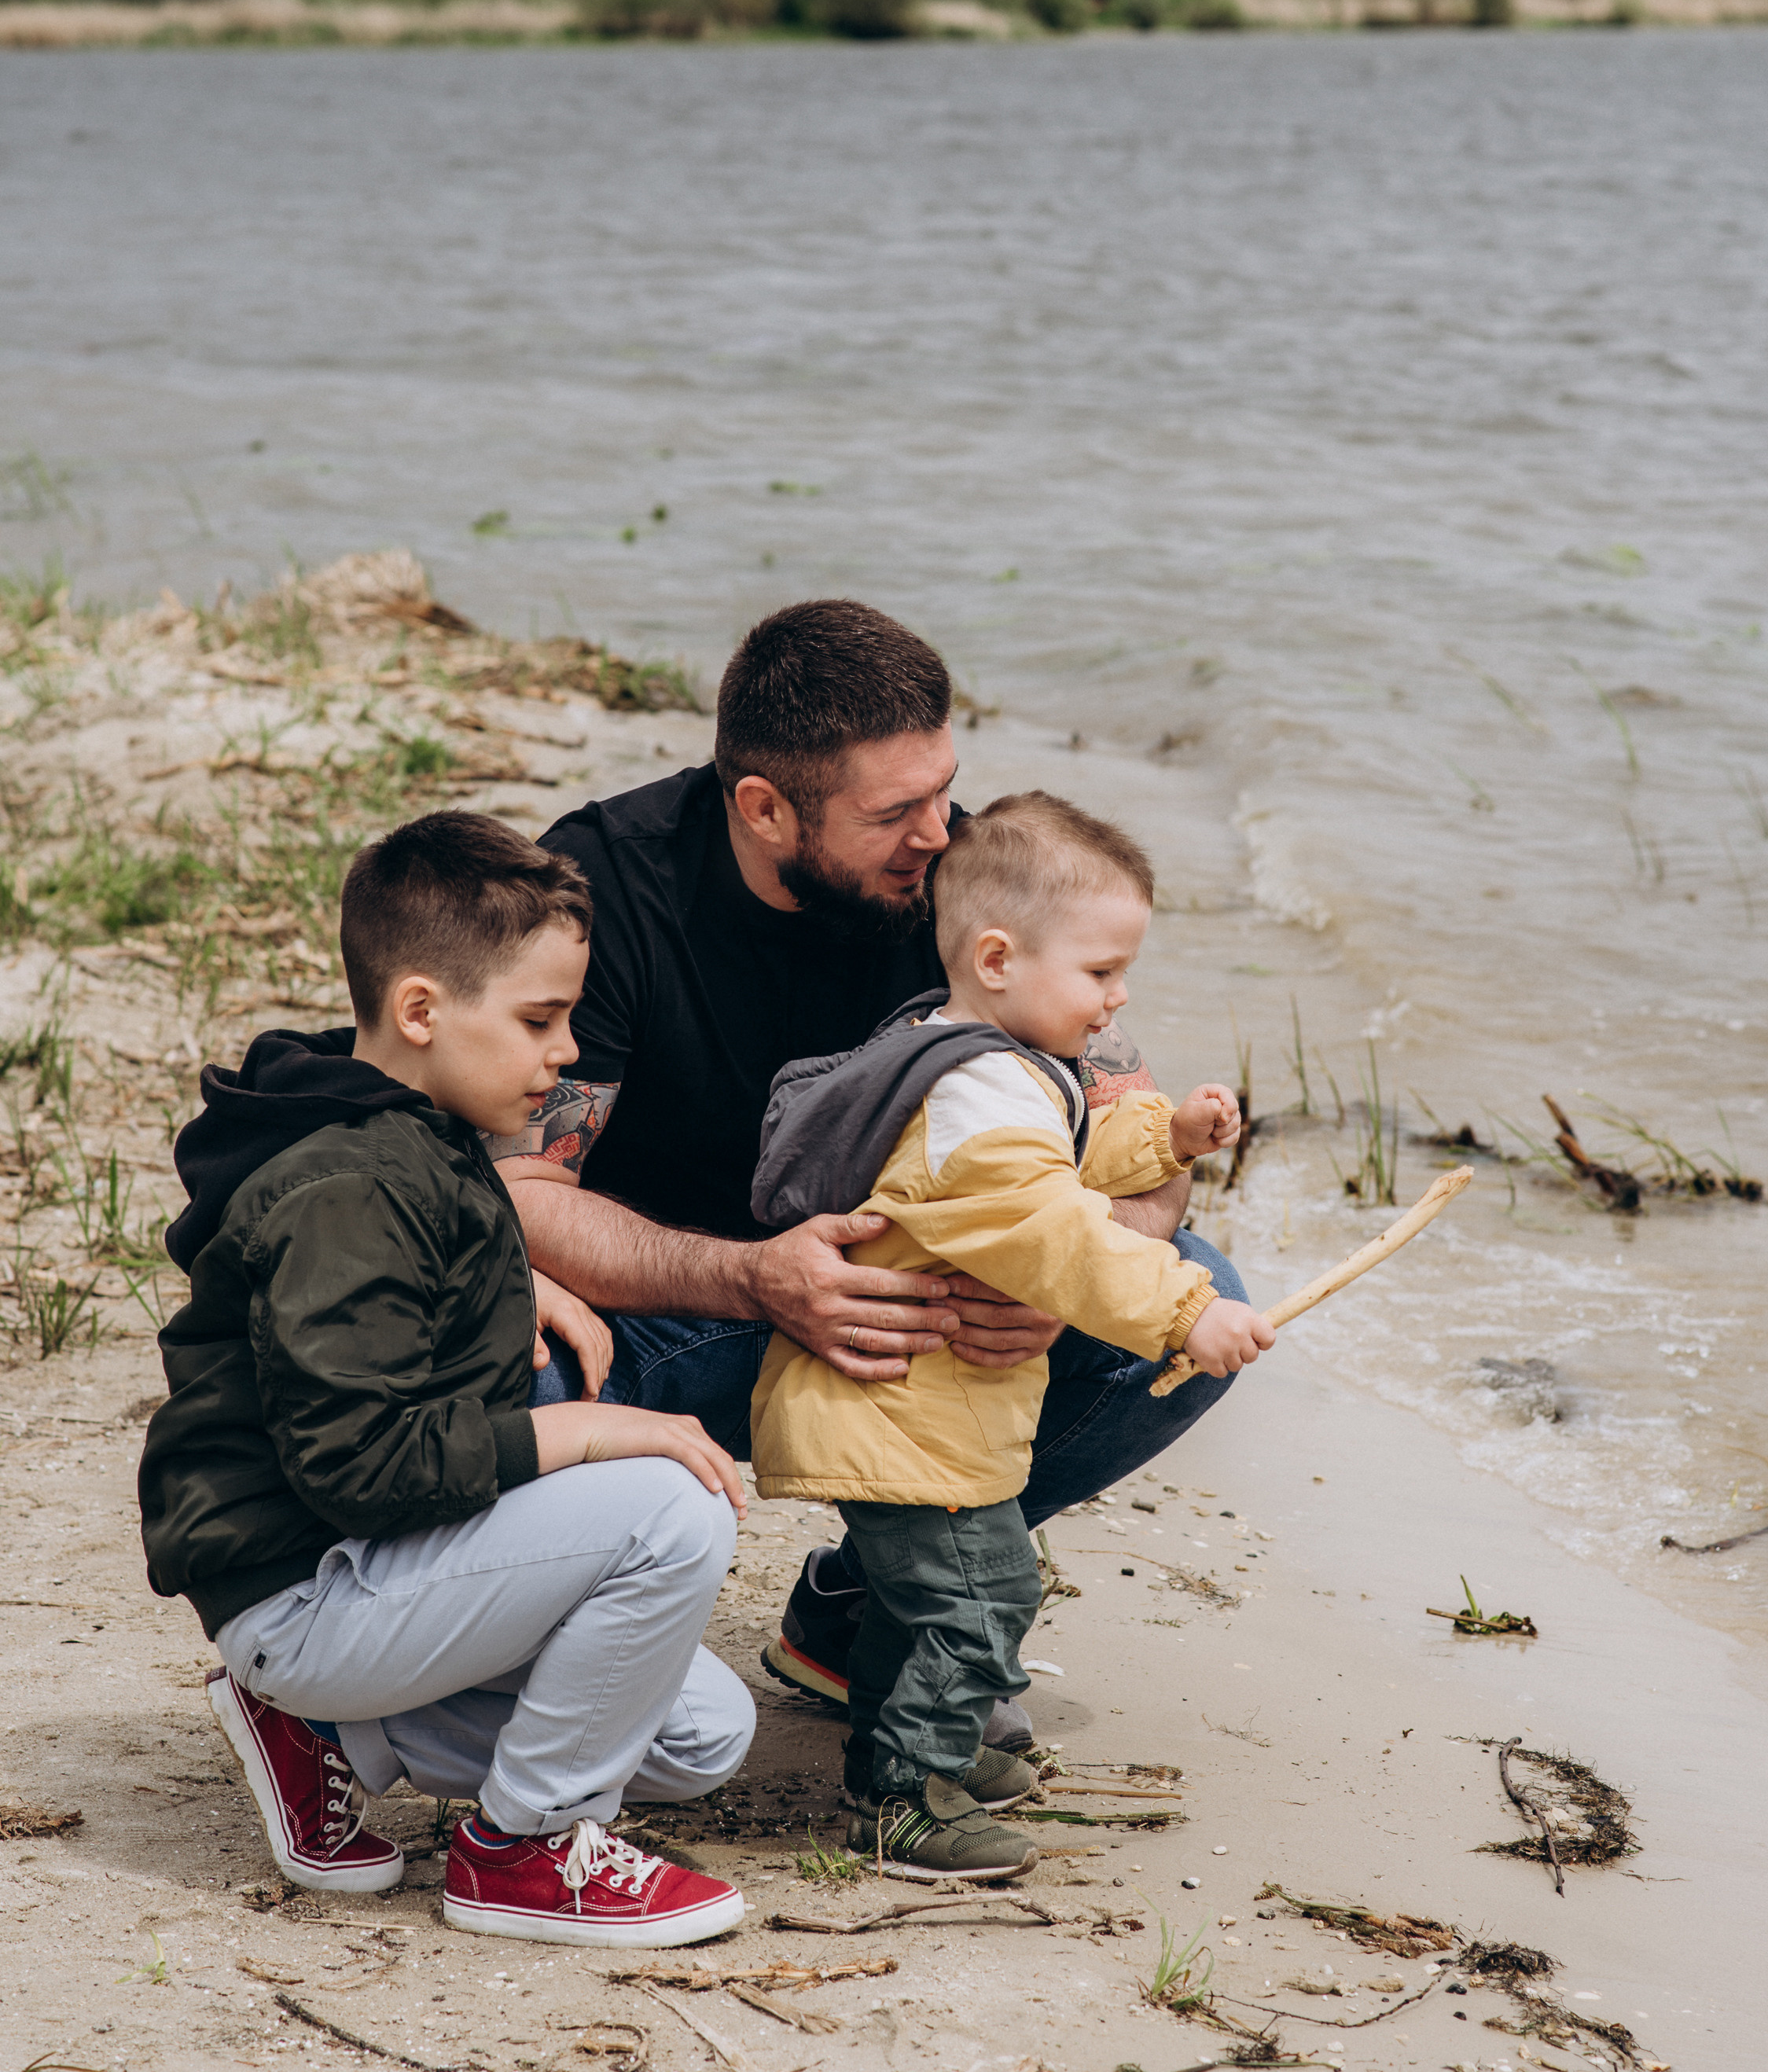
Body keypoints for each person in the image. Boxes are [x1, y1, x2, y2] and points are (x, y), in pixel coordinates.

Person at [503, 598, 1259, 1743]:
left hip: (925, 1316)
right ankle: (502, 1651)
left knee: (1198, 1309)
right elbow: (520, 1193)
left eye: (944, 789)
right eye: (893, 811)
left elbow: (1140, 1154)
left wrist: (1060, 1284)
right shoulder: (604, 890)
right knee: (504, 1384)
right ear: (762, 807)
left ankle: (872, 1608)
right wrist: (756, 1278)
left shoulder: (964, 894)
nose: (938, 832)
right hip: (677, 1306)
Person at [137, 812, 755, 1947]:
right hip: (304, 1581)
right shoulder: (345, 1187)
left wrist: (507, 1289)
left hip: (367, 1563)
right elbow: (364, 1463)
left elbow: (410, 1282)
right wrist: (595, 1433)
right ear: (422, 1011)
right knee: (672, 1503)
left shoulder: (408, 1124)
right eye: (538, 1020)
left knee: (704, 1734)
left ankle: (331, 1735)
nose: (566, 1052)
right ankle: (524, 1852)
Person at [746, 792, 1276, 1879]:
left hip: (921, 1412)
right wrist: (1187, 1308)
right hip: (901, 1413)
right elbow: (1051, 1232)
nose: (1117, 998)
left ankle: (911, 1748)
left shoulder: (976, 1061)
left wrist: (1165, 1134)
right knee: (986, 1594)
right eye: (1099, 974)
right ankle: (904, 1797)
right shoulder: (981, 1099)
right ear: (998, 956)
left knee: (931, 1593)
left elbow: (1069, 1147)